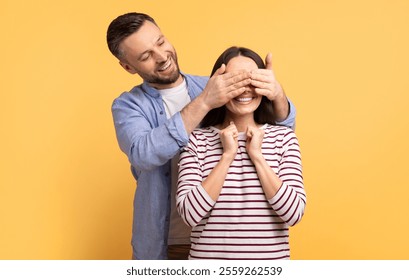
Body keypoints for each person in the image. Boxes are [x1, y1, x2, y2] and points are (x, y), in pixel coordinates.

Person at [106, 12, 297, 260]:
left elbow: (279, 129)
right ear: (128, 67)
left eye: (161, 42)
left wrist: (276, 94)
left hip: (223, 238)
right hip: (165, 242)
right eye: (146, 56)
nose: (162, 57)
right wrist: (205, 101)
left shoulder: (212, 84)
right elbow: (144, 154)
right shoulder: (129, 106)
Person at [177, 46, 306, 260]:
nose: (245, 89)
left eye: (251, 80)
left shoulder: (284, 138)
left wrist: (257, 157)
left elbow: (293, 213)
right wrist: (227, 156)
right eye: (234, 81)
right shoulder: (196, 140)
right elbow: (190, 215)